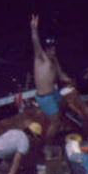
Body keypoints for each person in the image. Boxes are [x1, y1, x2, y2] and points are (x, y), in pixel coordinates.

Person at [30, 14, 74, 144]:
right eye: (49, 48)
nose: (52, 50)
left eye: (53, 47)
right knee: (55, 123)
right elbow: (36, 43)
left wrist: (70, 80)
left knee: (64, 105)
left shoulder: (54, 59)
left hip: (53, 93)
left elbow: (61, 75)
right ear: (45, 49)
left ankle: (62, 121)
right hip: (45, 97)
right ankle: (47, 145)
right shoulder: (41, 58)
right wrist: (33, 29)